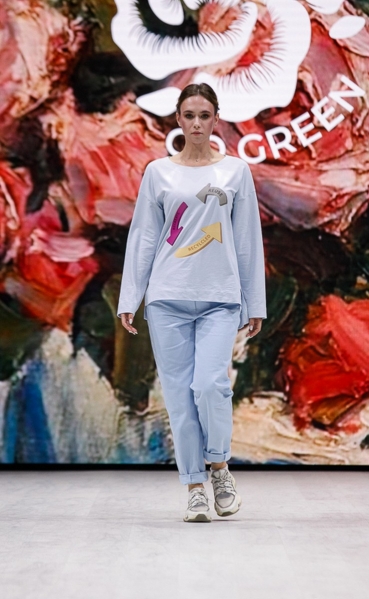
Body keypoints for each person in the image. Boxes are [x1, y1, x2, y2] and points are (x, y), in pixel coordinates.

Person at [117, 83, 267, 523]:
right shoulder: (158, 172)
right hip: (167, 298)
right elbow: (144, 237)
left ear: (217, 119)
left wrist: (254, 303)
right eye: (189, 115)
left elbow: (247, 240)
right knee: (180, 398)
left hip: (220, 298)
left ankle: (219, 467)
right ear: (178, 120)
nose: (197, 123)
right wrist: (131, 296)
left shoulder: (236, 172)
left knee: (210, 386)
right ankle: (195, 488)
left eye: (204, 115)